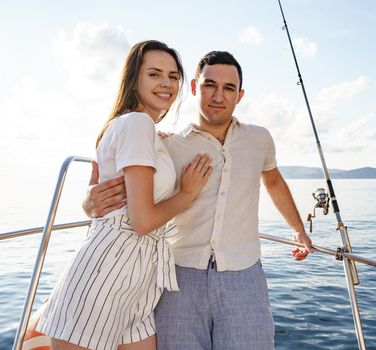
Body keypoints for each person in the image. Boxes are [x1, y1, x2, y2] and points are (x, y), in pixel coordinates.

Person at [83, 51, 313, 349]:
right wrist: (87, 202)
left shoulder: (260, 139)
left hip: (244, 277)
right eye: (209, 85)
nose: (218, 96)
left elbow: (272, 179)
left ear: (240, 95)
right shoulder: (166, 144)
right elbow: (115, 172)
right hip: (178, 279)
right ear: (194, 87)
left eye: (229, 88)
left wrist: (297, 229)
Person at [37, 40, 212, 350]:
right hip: (108, 270)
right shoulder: (137, 123)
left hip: (139, 278)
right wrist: (187, 193)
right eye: (155, 74)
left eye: (173, 76)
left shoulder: (141, 128)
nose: (166, 83)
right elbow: (142, 221)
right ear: (134, 79)